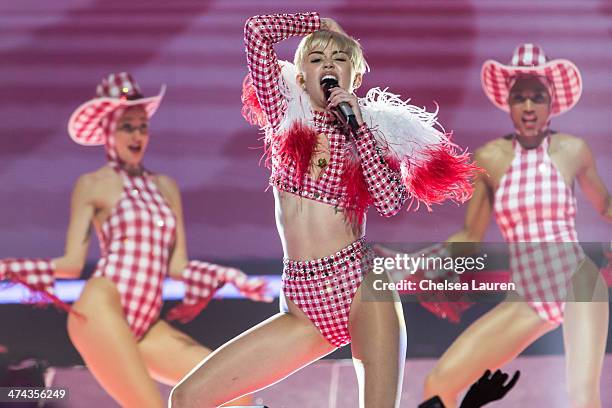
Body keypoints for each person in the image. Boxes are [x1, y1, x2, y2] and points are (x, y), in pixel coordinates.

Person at [169, 13, 477, 408]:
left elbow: (389, 201)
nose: (328, 65)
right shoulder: (284, 113)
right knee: (187, 398)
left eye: (339, 59)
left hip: (361, 287)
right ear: (300, 76)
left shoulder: (371, 132)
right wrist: (320, 21)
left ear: (355, 77)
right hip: (303, 300)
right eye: (315, 59)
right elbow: (257, 32)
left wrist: (359, 131)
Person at [0, 72, 270, 408]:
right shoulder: (93, 184)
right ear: (106, 131)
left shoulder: (165, 187)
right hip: (101, 307)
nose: (138, 135)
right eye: (127, 126)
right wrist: (7, 268)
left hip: (145, 323)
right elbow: (70, 265)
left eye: (142, 126)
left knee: (235, 396)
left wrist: (233, 277)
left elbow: (178, 266)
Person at [381, 44, 611, 407]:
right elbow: (470, 237)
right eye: (520, 98)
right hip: (528, 296)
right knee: (439, 384)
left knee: (582, 397)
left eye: (538, 97)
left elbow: (606, 205)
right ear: (509, 103)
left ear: (552, 102)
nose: (529, 106)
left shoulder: (573, 150)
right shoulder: (491, 158)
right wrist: (417, 264)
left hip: (576, 281)